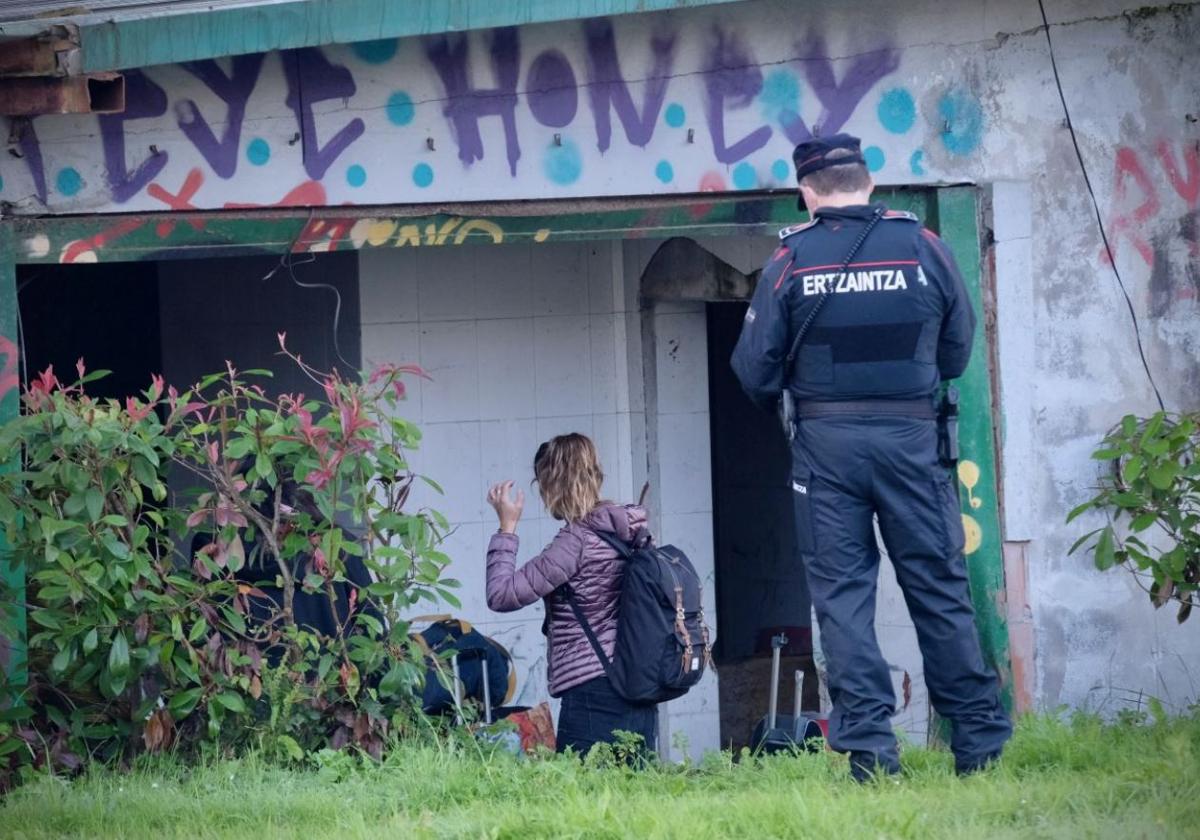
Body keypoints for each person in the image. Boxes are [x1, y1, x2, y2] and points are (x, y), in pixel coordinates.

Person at [730, 133, 1011, 781]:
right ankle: (978, 745)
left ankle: (873, 755)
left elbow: (753, 370)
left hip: (828, 450)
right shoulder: (925, 248)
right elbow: (957, 351)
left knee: (843, 599)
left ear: (807, 193)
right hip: (913, 440)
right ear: (870, 182)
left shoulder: (790, 261)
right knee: (940, 590)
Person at [484, 433, 656, 756]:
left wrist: (506, 527)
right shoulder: (630, 531)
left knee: (583, 797)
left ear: (552, 485)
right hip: (639, 686)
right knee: (637, 798)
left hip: (594, 692)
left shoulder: (576, 542)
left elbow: (501, 594)